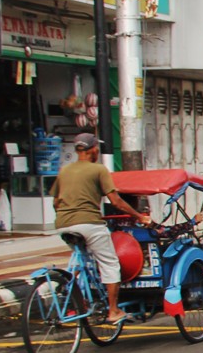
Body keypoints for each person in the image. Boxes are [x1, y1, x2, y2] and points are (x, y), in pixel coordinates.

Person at [51, 132, 151, 323]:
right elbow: (116, 201)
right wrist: (139, 217)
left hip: (63, 224)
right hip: (89, 223)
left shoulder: (64, 171)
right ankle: (113, 311)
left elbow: (56, 202)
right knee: (110, 263)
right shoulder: (98, 170)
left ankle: (76, 299)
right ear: (93, 149)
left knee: (83, 261)